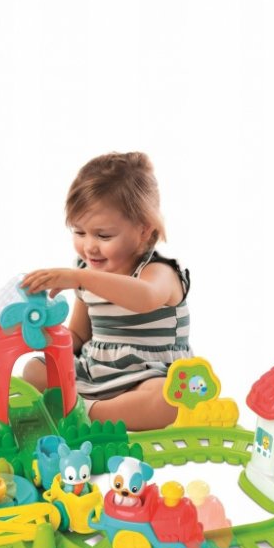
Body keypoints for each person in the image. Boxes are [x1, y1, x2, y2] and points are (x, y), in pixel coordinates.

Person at [21, 152, 190, 430]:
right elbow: (79, 335)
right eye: (79, 232)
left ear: (144, 230)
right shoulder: (85, 272)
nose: (89, 246)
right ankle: (82, 407)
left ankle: (87, 413)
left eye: (103, 235)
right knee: (34, 370)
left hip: (147, 377)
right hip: (96, 371)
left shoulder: (160, 272)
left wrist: (80, 278)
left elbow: (145, 297)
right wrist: (45, 339)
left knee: (167, 399)